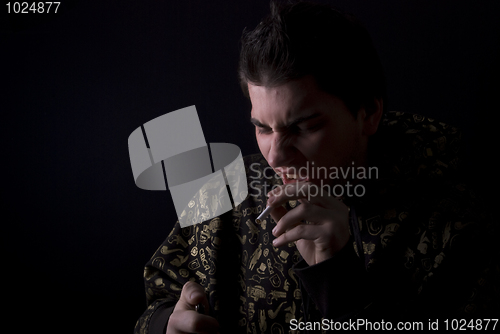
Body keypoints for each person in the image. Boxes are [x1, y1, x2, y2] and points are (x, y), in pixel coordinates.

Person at [134, 1, 499, 333]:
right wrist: (168, 322)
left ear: (368, 113)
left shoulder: (456, 227)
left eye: (304, 127)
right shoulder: (226, 191)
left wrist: (338, 283)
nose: (274, 156)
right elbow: (159, 293)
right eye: (262, 127)